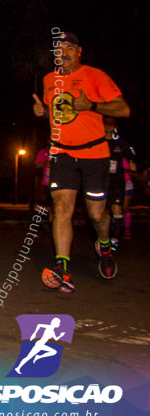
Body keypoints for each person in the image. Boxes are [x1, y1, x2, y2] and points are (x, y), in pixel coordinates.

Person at [32, 32, 130, 292]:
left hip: (95, 154)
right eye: (58, 48)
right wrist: (42, 111)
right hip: (62, 153)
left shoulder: (95, 76)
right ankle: (62, 267)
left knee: (97, 214)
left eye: (69, 47)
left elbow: (123, 109)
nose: (63, 52)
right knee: (62, 207)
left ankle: (105, 247)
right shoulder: (49, 80)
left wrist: (93, 106)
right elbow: (60, 115)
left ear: (79, 51)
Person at [103, 117, 138, 251]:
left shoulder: (121, 143)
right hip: (100, 182)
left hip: (117, 183)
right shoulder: (98, 142)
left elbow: (132, 155)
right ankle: (103, 239)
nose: (108, 126)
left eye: (111, 124)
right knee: (100, 214)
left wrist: (132, 163)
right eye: (106, 123)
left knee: (118, 211)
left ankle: (114, 241)